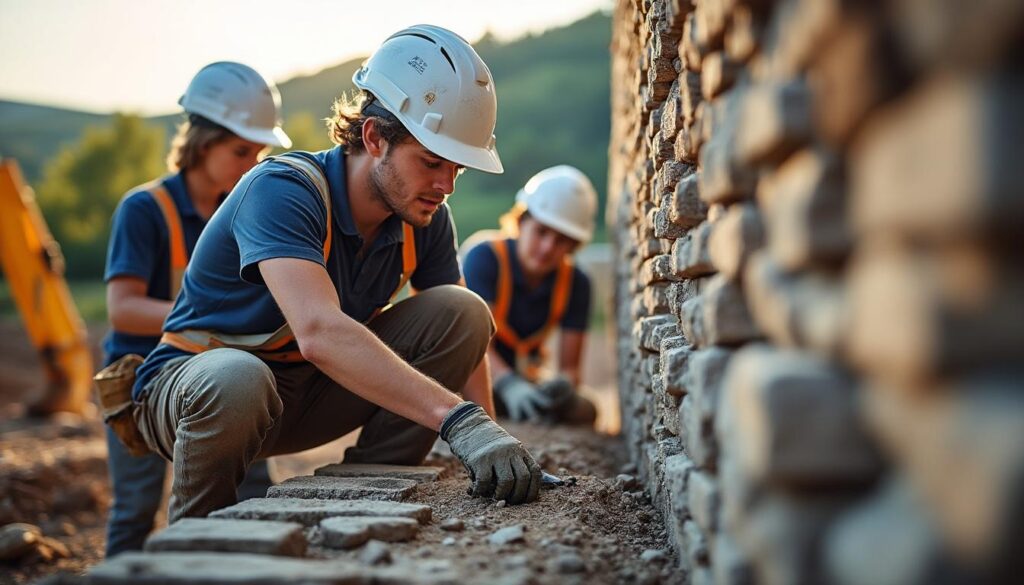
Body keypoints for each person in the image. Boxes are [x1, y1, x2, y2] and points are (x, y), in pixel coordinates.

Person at [129, 25, 542, 522]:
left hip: (302, 397)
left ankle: (366, 498)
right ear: (373, 137)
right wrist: (460, 422)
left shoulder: (422, 214)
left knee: (465, 312)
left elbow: (465, 341)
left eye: (458, 169)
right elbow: (319, 332)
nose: (445, 185)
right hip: (195, 395)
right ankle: (192, 545)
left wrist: (492, 440)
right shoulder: (284, 189)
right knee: (238, 378)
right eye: (432, 161)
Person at [101, 62, 289, 556]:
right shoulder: (143, 209)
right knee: (136, 508)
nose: (253, 164)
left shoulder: (250, 210)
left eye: (261, 151)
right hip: (144, 378)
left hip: (220, 377)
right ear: (202, 142)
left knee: (251, 494)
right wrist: (205, 316)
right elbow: (122, 310)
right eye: (241, 151)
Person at [462, 165, 599, 426]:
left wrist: (563, 389)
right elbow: (476, 346)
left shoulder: (576, 283)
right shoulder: (485, 257)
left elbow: (571, 369)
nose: (548, 248)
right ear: (521, 221)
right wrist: (509, 384)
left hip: (527, 380)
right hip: (473, 374)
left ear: (573, 245)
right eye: (542, 232)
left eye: (562, 240)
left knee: (585, 410)